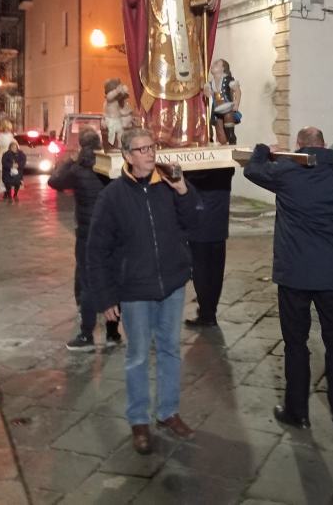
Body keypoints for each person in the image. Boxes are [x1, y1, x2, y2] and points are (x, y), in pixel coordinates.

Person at [86, 127, 202, 455]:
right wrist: (105, 297)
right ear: (126, 156)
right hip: (135, 289)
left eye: (152, 147)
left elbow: (195, 221)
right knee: (137, 355)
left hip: (172, 285)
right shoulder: (112, 196)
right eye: (141, 149)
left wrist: (184, 190)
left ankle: (167, 413)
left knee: (169, 350)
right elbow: (97, 250)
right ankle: (138, 419)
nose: (149, 154)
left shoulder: (168, 185)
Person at [243, 127, 333, 428]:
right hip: (331, 272)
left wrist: (263, 148)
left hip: (294, 273)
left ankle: (297, 411)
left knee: (295, 343)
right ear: (324, 145)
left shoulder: (287, 173)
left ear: (298, 147)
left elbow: (253, 169)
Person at [121, 0, 220, 147]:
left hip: (188, 40)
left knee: (190, 86)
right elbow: (135, 0)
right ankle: (159, 136)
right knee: (161, 86)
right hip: (161, 43)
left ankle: (191, 136)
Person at [48, 127, 121, 351]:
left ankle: (86, 334)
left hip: (87, 231)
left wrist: (68, 161)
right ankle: (112, 333)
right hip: (111, 232)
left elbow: (54, 182)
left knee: (89, 281)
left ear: (81, 145)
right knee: (111, 280)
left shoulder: (78, 169)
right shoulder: (108, 166)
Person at [184, 167, 235, 327]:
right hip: (219, 226)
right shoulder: (227, 168)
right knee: (216, 271)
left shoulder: (197, 171)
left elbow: (186, 179)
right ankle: (210, 310)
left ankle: (207, 314)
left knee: (201, 273)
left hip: (200, 227)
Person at [206, 58, 242, 145]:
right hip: (217, 111)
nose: (213, 65)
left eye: (216, 64)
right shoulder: (210, 84)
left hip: (227, 107)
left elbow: (237, 91)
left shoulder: (228, 80)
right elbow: (207, 93)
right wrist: (206, 90)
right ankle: (225, 141)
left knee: (228, 116)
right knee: (222, 139)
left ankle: (232, 138)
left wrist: (236, 104)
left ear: (223, 68)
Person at [101, 78, 134, 150]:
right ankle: (111, 146)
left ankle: (120, 146)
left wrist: (123, 89)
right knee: (111, 135)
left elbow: (124, 95)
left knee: (120, 134)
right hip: (110, 119)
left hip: (117, 119)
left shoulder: (117, 100)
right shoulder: (109, 99)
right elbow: (110, 96)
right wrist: (117, 90)